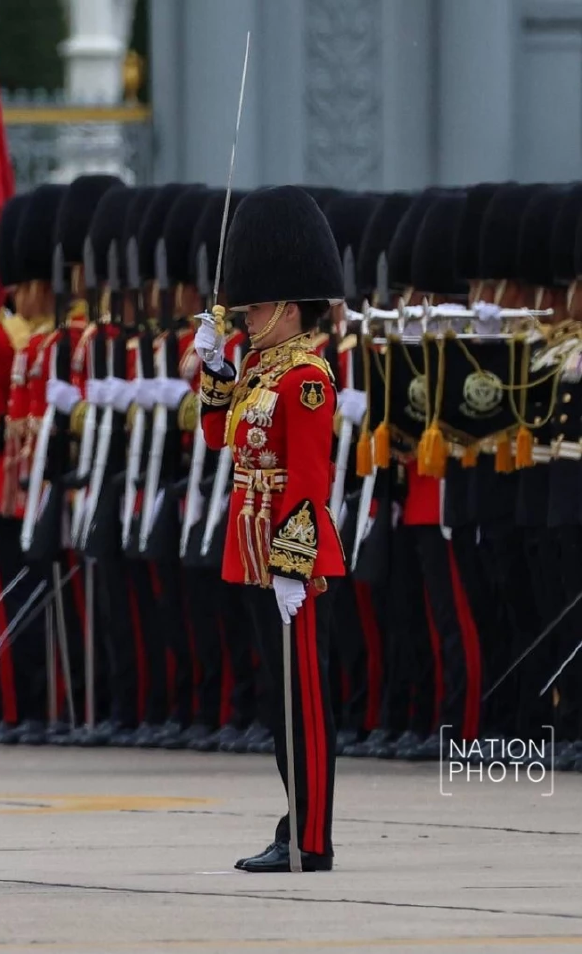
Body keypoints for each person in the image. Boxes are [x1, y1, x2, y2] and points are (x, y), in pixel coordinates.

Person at [195, 185, 344, 873]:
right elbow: (218, 438)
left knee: (304, 701)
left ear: (289, 305)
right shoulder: (260, 369)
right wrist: (217, 374)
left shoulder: (308, 378)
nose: (247, 317)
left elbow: (311, 482)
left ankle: (312, 838)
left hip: (290, 556)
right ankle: (294, 820)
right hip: (254, 549)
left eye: (255, 306)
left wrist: (294, 563)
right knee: (276, 701)